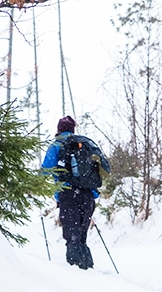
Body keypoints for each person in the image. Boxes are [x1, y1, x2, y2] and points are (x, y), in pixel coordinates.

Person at [41, 115, 110, 270]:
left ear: (58, 130)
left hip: (68, 195)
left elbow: (45, 171)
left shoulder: (57, 145)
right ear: (73, 129)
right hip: (88, 196)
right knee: (81, 238)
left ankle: (77, 275)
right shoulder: (85, 144)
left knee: (72, 238)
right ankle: (87, 270)